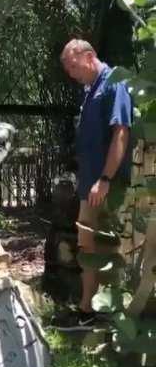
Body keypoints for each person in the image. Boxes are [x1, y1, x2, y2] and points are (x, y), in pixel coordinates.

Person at [55, 39, 132, 330]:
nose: (72, 74)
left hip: (105, 185)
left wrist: (105, 179)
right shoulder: (92, 89)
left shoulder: (114, 83)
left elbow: (121, 134)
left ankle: (96, 312)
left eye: (73, 67)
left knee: (98, 245)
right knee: (90, 244)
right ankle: (91, 310)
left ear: (89, 57)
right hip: (91, 183)